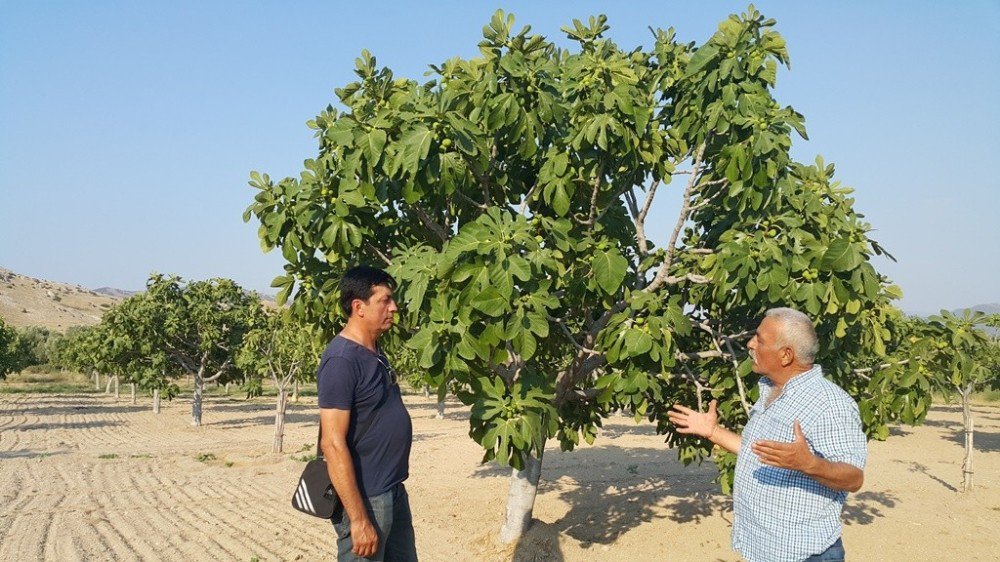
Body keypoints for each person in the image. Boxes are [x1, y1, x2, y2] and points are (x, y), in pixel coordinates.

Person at [668, 307, 866, 562]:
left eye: (759, 339)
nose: (750, 344)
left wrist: (809, 464)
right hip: (767, 549)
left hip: (804, 555)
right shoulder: (772, 391)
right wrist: (713, 432)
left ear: (786, 355)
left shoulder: (829, 404)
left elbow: (854, 478)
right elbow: (760, 452)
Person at [317, 266, 417, 561]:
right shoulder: (341, 360)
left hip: (392, 490)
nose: (394, 307)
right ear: (359, 307)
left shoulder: (373, 351)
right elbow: (332, 444)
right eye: (384, 300)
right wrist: (359, 519)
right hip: (367, 500)